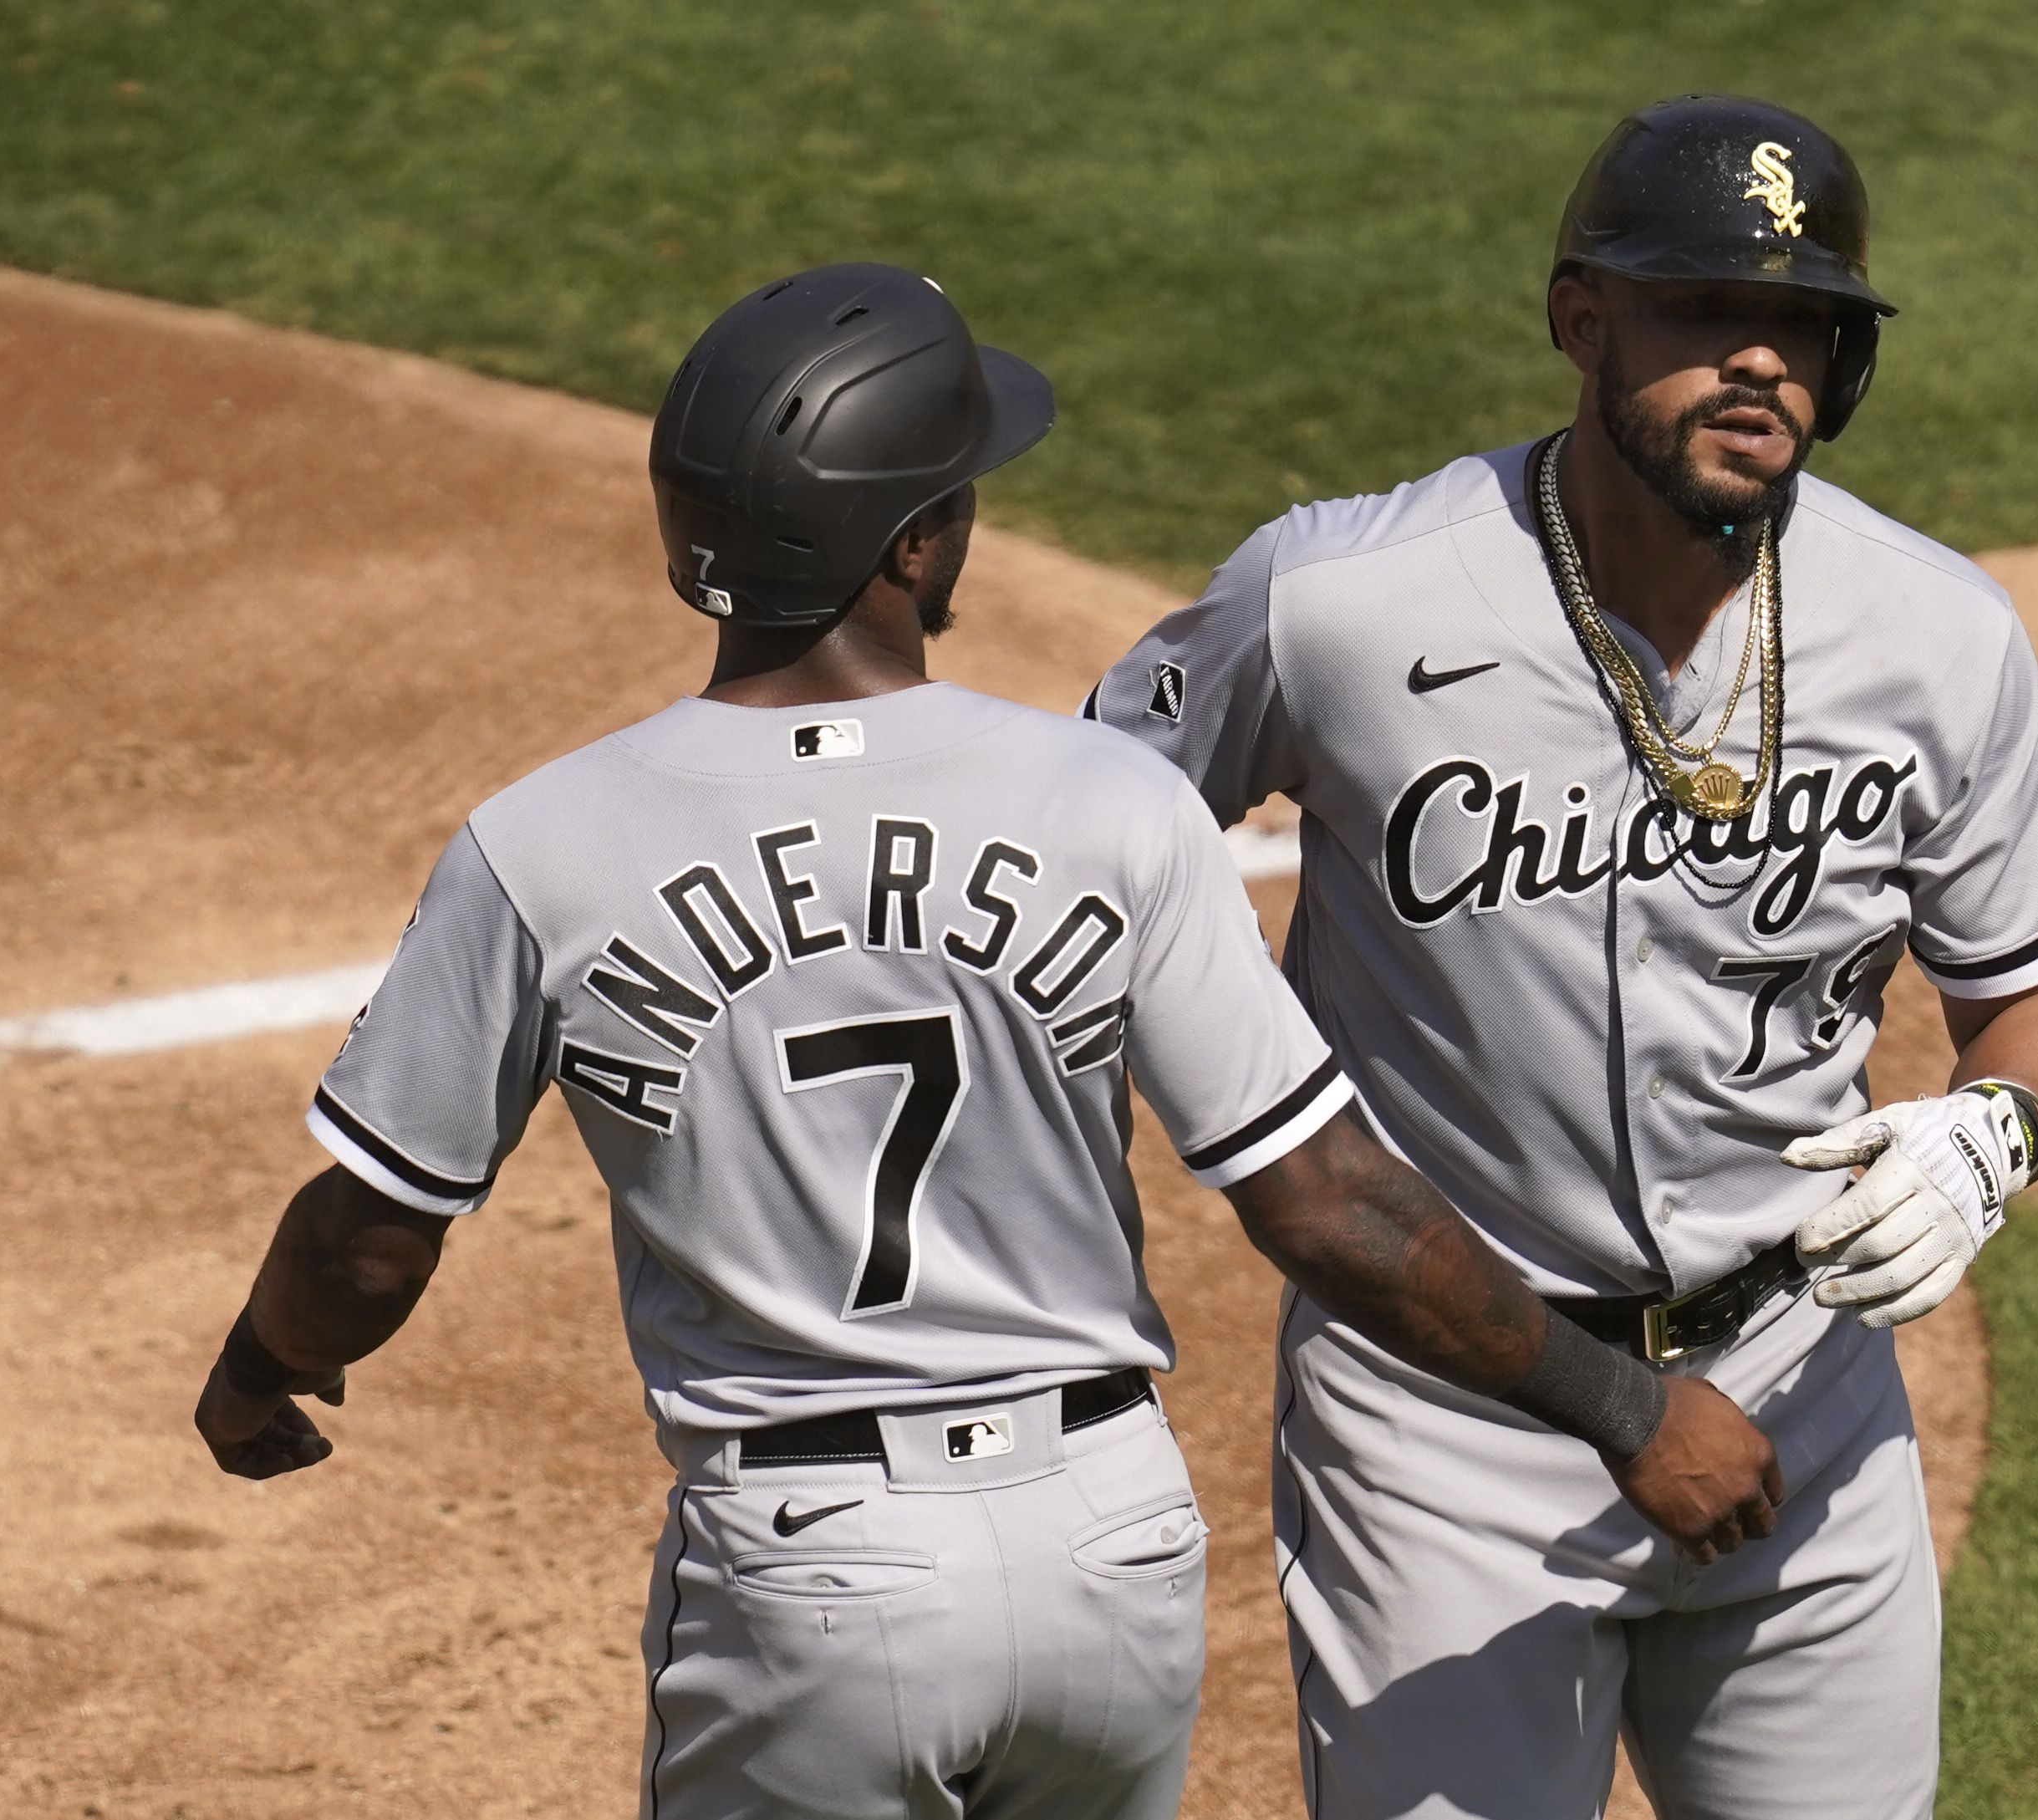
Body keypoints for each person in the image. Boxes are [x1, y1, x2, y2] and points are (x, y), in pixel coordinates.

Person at [190, 263, 1782, 1820]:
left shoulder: (544, 843)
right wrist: (1629, 1408)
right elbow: (1329, 1205)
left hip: (810, 1565)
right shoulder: (1110, 804)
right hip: (1111, 1545)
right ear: (916, 543)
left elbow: (373, 1239)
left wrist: (270, 1362)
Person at [1088, 98, 2038, 1818]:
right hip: (1444, 1426)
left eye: (1802, 323)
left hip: (1806, 1399)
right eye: (1705, 311)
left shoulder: (1938, 634)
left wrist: (1991, 1130)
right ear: (1580, 319)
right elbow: (1081, 850)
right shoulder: (1347, 602)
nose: (1758, 362)